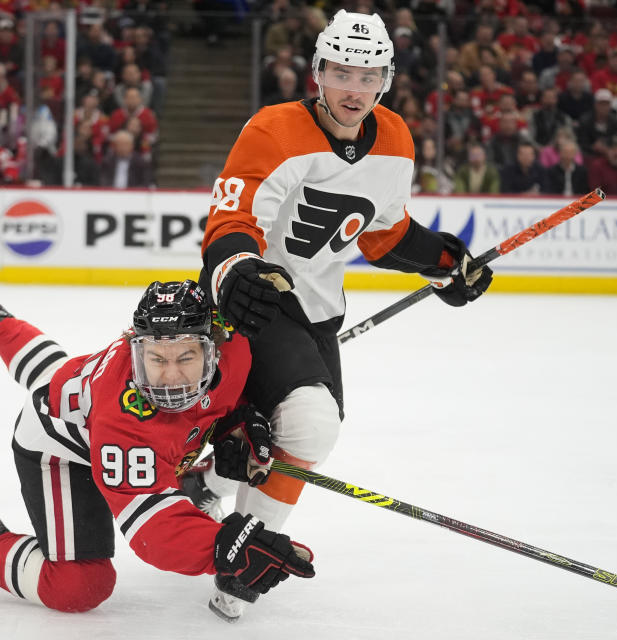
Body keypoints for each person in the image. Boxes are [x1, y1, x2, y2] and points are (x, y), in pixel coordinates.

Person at [197, 10, 492, 620]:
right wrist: (234, 272)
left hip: (319, 312)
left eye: (369, 73)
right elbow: (232, 221)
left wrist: (442, 261)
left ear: (385, 78)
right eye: (342, 72)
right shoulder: (274, 129)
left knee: (299, 437)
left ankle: (212, 491)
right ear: (318, 72)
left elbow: (381, 236)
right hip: (258, 302)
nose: (354, 87)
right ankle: (246, 555)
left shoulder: (396, 138)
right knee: (310, 423)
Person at [0, 280, 315, 619]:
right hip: (62, 452)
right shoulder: (123, 421)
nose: (170, 378)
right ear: (136, 349)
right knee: (80, 586)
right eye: (155, 359)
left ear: (214, 349)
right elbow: (152, 531)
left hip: (82, 391)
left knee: (58, 374)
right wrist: (224, 550)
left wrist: (238, 421)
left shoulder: (236, 351)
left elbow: (57, 370)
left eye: (186, 358)